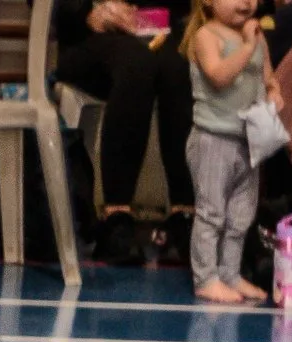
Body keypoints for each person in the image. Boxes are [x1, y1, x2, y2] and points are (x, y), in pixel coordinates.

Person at [54, 0, 198, 265]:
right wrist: (86, 12)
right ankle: (116, 215)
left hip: (161, 30)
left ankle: (184, 215)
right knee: (137, 64)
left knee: (180, 66)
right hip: (89, 35)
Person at [186, 0, 279, 303]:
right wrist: (248, 46)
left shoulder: (256, 36)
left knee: (240, 215)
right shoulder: (206, 37)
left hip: (247, 139)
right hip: (213, 139)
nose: (246, 2)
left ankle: (229, 273)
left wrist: (275, 95)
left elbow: (268, 78)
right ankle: (206, 277)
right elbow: (218, 75)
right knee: (211, 212)